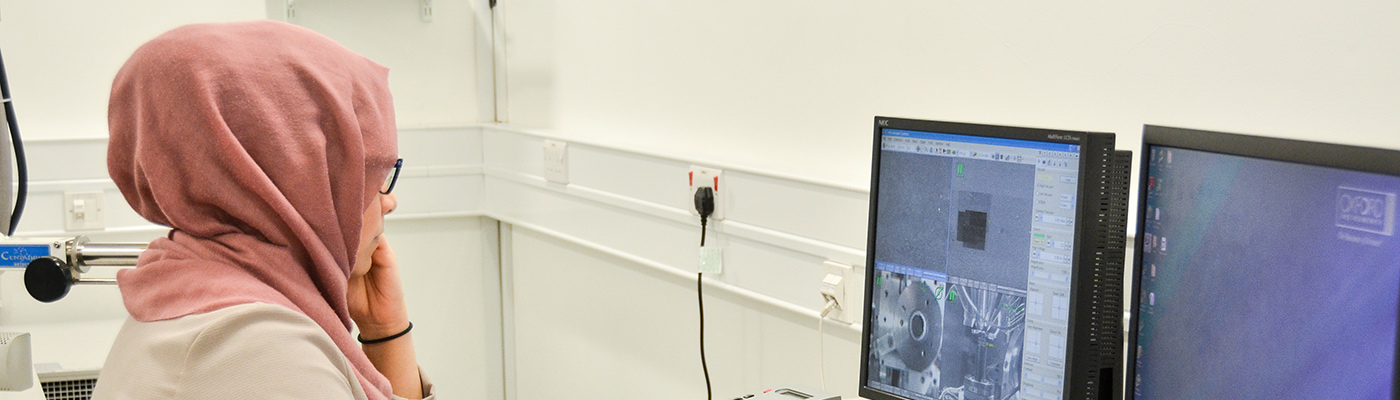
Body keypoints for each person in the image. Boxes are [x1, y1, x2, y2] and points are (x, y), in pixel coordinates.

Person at [91, 21, 432, 400]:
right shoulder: (262, 347)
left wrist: (386, 330)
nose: (388, 200)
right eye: (370, 175)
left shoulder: (195, 295)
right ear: (298, 182)